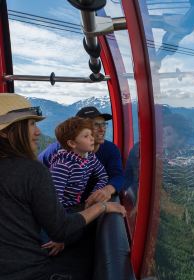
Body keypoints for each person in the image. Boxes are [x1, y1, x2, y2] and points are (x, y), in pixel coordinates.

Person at [0, 93, 126, 280]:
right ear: (72, 141)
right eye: (31, 124)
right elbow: (57, 219)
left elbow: (112, 175)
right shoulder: (48, 164)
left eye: (102, 125)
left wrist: (104, 190)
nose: (39, 132)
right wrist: (102, 207)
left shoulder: (102, 153)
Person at [39, 106, 124, 208]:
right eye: (95, 125)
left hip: (84, 205)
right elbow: (37, 172)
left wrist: (107, 190)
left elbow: (117, 175)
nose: (102, 129)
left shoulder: (109, 150)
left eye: (103, 124)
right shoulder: (59, 152)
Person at [50, 117, 108, 208]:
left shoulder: (90, 157)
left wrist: (94, 195)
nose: (92, 138)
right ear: (72, 143)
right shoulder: (62, 166)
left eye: (91, 134)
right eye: (86, 136)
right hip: (65, 209)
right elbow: (55, 202)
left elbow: (103, 176)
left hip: (77, 204)